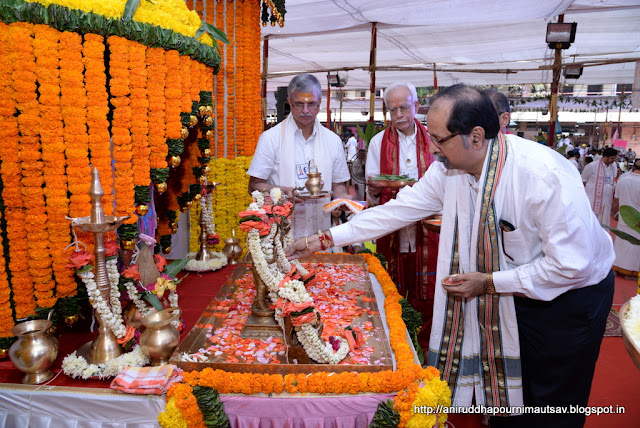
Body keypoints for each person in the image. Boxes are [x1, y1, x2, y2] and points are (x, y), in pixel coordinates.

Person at [288, 84, 614, 428]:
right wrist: (320, 239)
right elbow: (397, 211)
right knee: (511, 392)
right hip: (513, 290)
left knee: (552, 399)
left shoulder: (541, 176)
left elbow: (570, 266)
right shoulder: (448, 171)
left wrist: (489, 282)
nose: (430, 147)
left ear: (475, 137)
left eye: (439, 139)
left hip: (570, 297)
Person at [365, 81, 438, 351]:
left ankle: (428, 349)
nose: (398, 115)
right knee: (390, 291)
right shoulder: (378, 142)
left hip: (429, 230)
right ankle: (394, 350)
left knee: (428, 293)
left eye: (404, 108)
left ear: (416, 106)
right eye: (392, 110)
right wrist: (373, 190)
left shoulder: (435, 138)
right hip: (393, 229)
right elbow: (373, 190)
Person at [247, 73, 351, 239]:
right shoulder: (271, 138)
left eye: (311, 104)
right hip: (280, 237)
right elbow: (253, 186)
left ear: (320, 103)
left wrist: (343, 199)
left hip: (321, 236)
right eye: (298, 104)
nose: (305, 111)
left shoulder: (333, 141)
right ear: (289, 101)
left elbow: (339, 185)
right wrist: (281, 192)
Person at [612, 158, 640, 278]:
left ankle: (616, 268)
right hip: (637, 219)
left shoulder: (623, 180)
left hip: (624, 216)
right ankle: (631, 272)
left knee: (620, 242)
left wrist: (614, 212)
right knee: (634, 246)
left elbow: (616, 200)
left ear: (633, 167)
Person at [581, 147, 619, 227]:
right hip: (592, 199)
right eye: (612, 158)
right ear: (606, 157)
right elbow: (582, 181)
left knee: (604, 222)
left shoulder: (612, 167)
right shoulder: (592, 166)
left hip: (606, 200)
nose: (613, 161)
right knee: (591, 222)